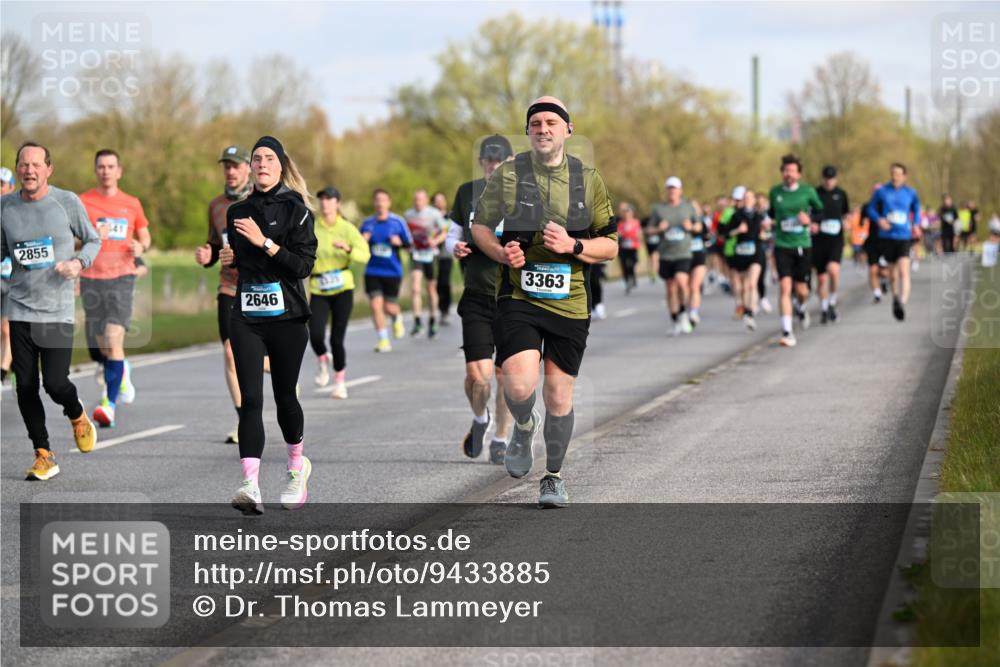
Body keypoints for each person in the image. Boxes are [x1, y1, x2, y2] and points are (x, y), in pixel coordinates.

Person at [471, 96, 617, 508]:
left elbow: (611, 245)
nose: (543, 128)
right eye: (535, 123)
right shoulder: (509, 175)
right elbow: (481, 226)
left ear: (568, 129)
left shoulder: (588, 179)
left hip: (570, 301)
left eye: (551, 121)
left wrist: (574, 244)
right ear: (528, 131)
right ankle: (522, 422)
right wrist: (501, 254)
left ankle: (552, 477)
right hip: (519, 295)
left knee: (558, 395)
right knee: (518, 384)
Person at [219, 136, 317, 515]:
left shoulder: (297, 210)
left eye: (268, 159)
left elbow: (303, 266)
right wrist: (227, 257)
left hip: (288, 317)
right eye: (256, 158)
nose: (261, 163)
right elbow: (240, 264)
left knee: (284, 398)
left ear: (280, 166)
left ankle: (296, 467)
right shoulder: (237, 211)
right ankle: (250, 485)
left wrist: (265, 244)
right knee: (250, 401)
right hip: (246, 315)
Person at [1, 142, 100, 480]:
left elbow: (93, 240)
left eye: (35, 164)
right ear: (17, 170)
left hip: (56, 309)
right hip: (19, 307)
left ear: (48, 169)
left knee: (56, 383)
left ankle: (76, 415)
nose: (29, 170)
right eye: (23, 165)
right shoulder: (5, 207)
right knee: (24, 386)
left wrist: (78, 262)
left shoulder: (66, 202)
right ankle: (43, 453)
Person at [447, 134, 514, 464]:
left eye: (499, 159)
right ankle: (479, 419)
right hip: (476, 294)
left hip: (512, 297)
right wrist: (454, 247)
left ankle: (501, 438)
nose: (493, 164)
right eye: (488, 159)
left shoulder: (525, 196)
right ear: (481, 162)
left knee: (505, 376)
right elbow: (451, 235)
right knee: (478, 376)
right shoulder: (466, 192)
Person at [77, 149, 151, 428]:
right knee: (99, 348)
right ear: (95, 170)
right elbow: (72, 240)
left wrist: (140, 246)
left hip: (122, 277)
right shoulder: (83, 202)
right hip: (91, 277)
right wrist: (90, 238)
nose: (106, 171)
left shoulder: (131, 203)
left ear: (119, 171)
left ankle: (108, 405)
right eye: (101, 166)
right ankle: (123, 369)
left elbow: (145, 236)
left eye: (111, 166)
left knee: (113, 338)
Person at [195, 145, 254, 444]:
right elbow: (215, 246)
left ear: (248, 168)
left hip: (260, 286)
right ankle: (245, 421)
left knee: (260, 355)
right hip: (229, 286)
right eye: (226, 166)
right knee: (231, 352)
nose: (230, 172)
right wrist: (207, 255)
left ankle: (282, 368)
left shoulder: (261, 200)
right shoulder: (216, 206)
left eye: (236, 166)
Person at [309, 186, 370, 398]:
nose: (325, 203)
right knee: (315, 334)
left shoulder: (347, 228)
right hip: (318, 287)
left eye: (329, 199)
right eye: (322, 199)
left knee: (336, 339)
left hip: (343, 288)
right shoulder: (313, 228)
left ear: (337, 203)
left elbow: (364, 255)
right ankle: (323, 359)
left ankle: (340, 382)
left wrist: (348, 249)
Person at [768, 154, 823, 347]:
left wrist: (811, 220)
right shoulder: (775, 192)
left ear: (799, 174)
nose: (788, 174)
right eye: (785, 171)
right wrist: (768, 221)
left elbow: (820, 211)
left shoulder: (807, 192)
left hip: (802, 244)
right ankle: (787, 331)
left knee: (801, 289)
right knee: (784, 287)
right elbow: (771, 214)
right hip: (783, 245)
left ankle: (801, 306)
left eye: (792, 171)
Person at [867, 163, 921, 322]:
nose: (894, 176)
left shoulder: (910, 193)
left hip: (904, 236)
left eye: (898, 174)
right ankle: (895, 297)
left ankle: (902, 303)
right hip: (887, 237)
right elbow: (870, 209)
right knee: (892, 273)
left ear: (904, 176)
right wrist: (879, 220)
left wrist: (916, 224)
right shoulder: (882, 191)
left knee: (904, 269)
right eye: (892, 173)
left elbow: (917, 208)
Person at [361, 189, 412, 351]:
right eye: (377, 200)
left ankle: (396, 317)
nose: (380, 203)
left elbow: (409, 245)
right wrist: (363, 241)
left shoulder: (397, 222)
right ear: (374, 203)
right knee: (376, 305)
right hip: (372, 271)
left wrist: (400, 243)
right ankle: (383, 340)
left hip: (392, 271)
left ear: (388, 203)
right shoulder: (367, 224)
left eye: (383, 200)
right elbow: (357, 246)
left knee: (389, 306)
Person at [650, 177, 696, 335]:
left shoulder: (688, 207)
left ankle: (684, 312)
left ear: (680, 190)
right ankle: (675, 319)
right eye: (669, 188)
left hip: (683, 252)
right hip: (666, 253)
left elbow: (699, 225)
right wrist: (658, 229)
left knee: (682, 282)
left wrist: (691, 227)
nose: (672, 191)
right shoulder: (659, 209)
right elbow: (648, 230)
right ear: (666, 190)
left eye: (675, 188)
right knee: (670, 289)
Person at [404, 189, 448, 338]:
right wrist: (406, 244)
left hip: (431, 254)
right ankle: (417, 321)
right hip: (416, 253)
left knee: (430, 289)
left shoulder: (434, 213)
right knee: (415, 288)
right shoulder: (408, 214)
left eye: (421, 199)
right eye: (416, 199)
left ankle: (432, 319)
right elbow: (405, 233)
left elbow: (444, 231)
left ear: (426, 201)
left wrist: (435, 241)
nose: (418, 202)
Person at [813, 165, 850, 324]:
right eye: (826, 178)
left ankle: (833, 301)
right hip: (818, 240)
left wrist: (847, 222)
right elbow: (809, 213)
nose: (829, 182)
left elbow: (846, 213)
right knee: (821, 279)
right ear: (822, 178)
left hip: (836, 239)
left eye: (832, 178)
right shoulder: (814, 193)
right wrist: (811, 224)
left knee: (833, 270)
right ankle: (824, 308)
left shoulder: (841, 194)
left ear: (836, 178)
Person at [726, 189, 766, 331]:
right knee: (742, 286)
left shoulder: (759, 216)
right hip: (741, 252)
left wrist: (764, 234)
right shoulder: (736, 216)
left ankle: (750, 313)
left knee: (751, 283)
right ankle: (745, 307)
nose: (748, 200)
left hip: (756, 252)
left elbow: (766, 232)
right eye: (745, 197)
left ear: (754, 200)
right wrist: (738, 230)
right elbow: (727, 233)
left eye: (750, 197)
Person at [1, 166, 17, 386]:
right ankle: (13, 365)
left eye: (1, 184)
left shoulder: (16, 211)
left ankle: (3, 370)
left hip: (13, 278)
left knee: (6, 327)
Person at [432, 192, 454, 326]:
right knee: (435, 283)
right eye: (436, 200)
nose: (439, 202)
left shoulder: (451, 216)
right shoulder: (429, 217)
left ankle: (445, 310)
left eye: (441, 200)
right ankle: (435, 309)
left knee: (444, 282)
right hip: (431, 255)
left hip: (445, 254)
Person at [688, 200, 709, 322]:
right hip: (684, 256)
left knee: (694, 286)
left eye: (695, 208)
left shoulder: (702, 222)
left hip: (699, 256)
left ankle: (694, 312)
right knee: (685, 287)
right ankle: (685, 309)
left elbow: (707, 237)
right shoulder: (682, 222)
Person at [616, 202, 640, 294]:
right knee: (624, 265)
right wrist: (621, 236)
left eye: (629, 213)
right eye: (625, 213)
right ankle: (627, 282)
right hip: (623, 247)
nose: (627, 215)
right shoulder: (620, 224)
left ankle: (632, 278)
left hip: (633, 247)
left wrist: (631, 236)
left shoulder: (636, 222)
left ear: (632, 214)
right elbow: (618, 234)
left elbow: (638, 235)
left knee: (632, 264)